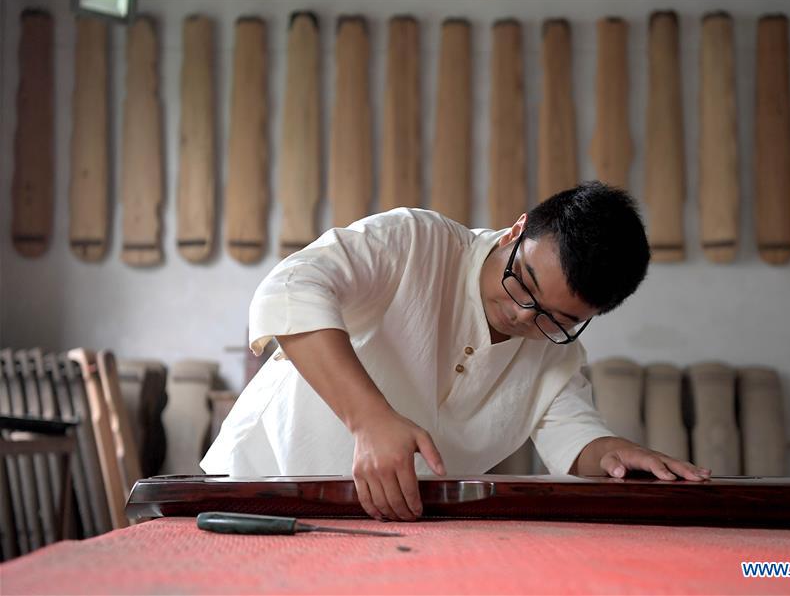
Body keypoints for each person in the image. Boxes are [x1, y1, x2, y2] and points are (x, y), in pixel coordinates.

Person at [200, 181, 711, 521]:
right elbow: (289, 289)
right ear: (516, 232)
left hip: (392, 527)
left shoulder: (554, 350)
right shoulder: (414, 242)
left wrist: (617, 455)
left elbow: (576, 439)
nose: (524, 316)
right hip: (258, 489)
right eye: (523, 283)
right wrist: (369, 420)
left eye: (557, 318)